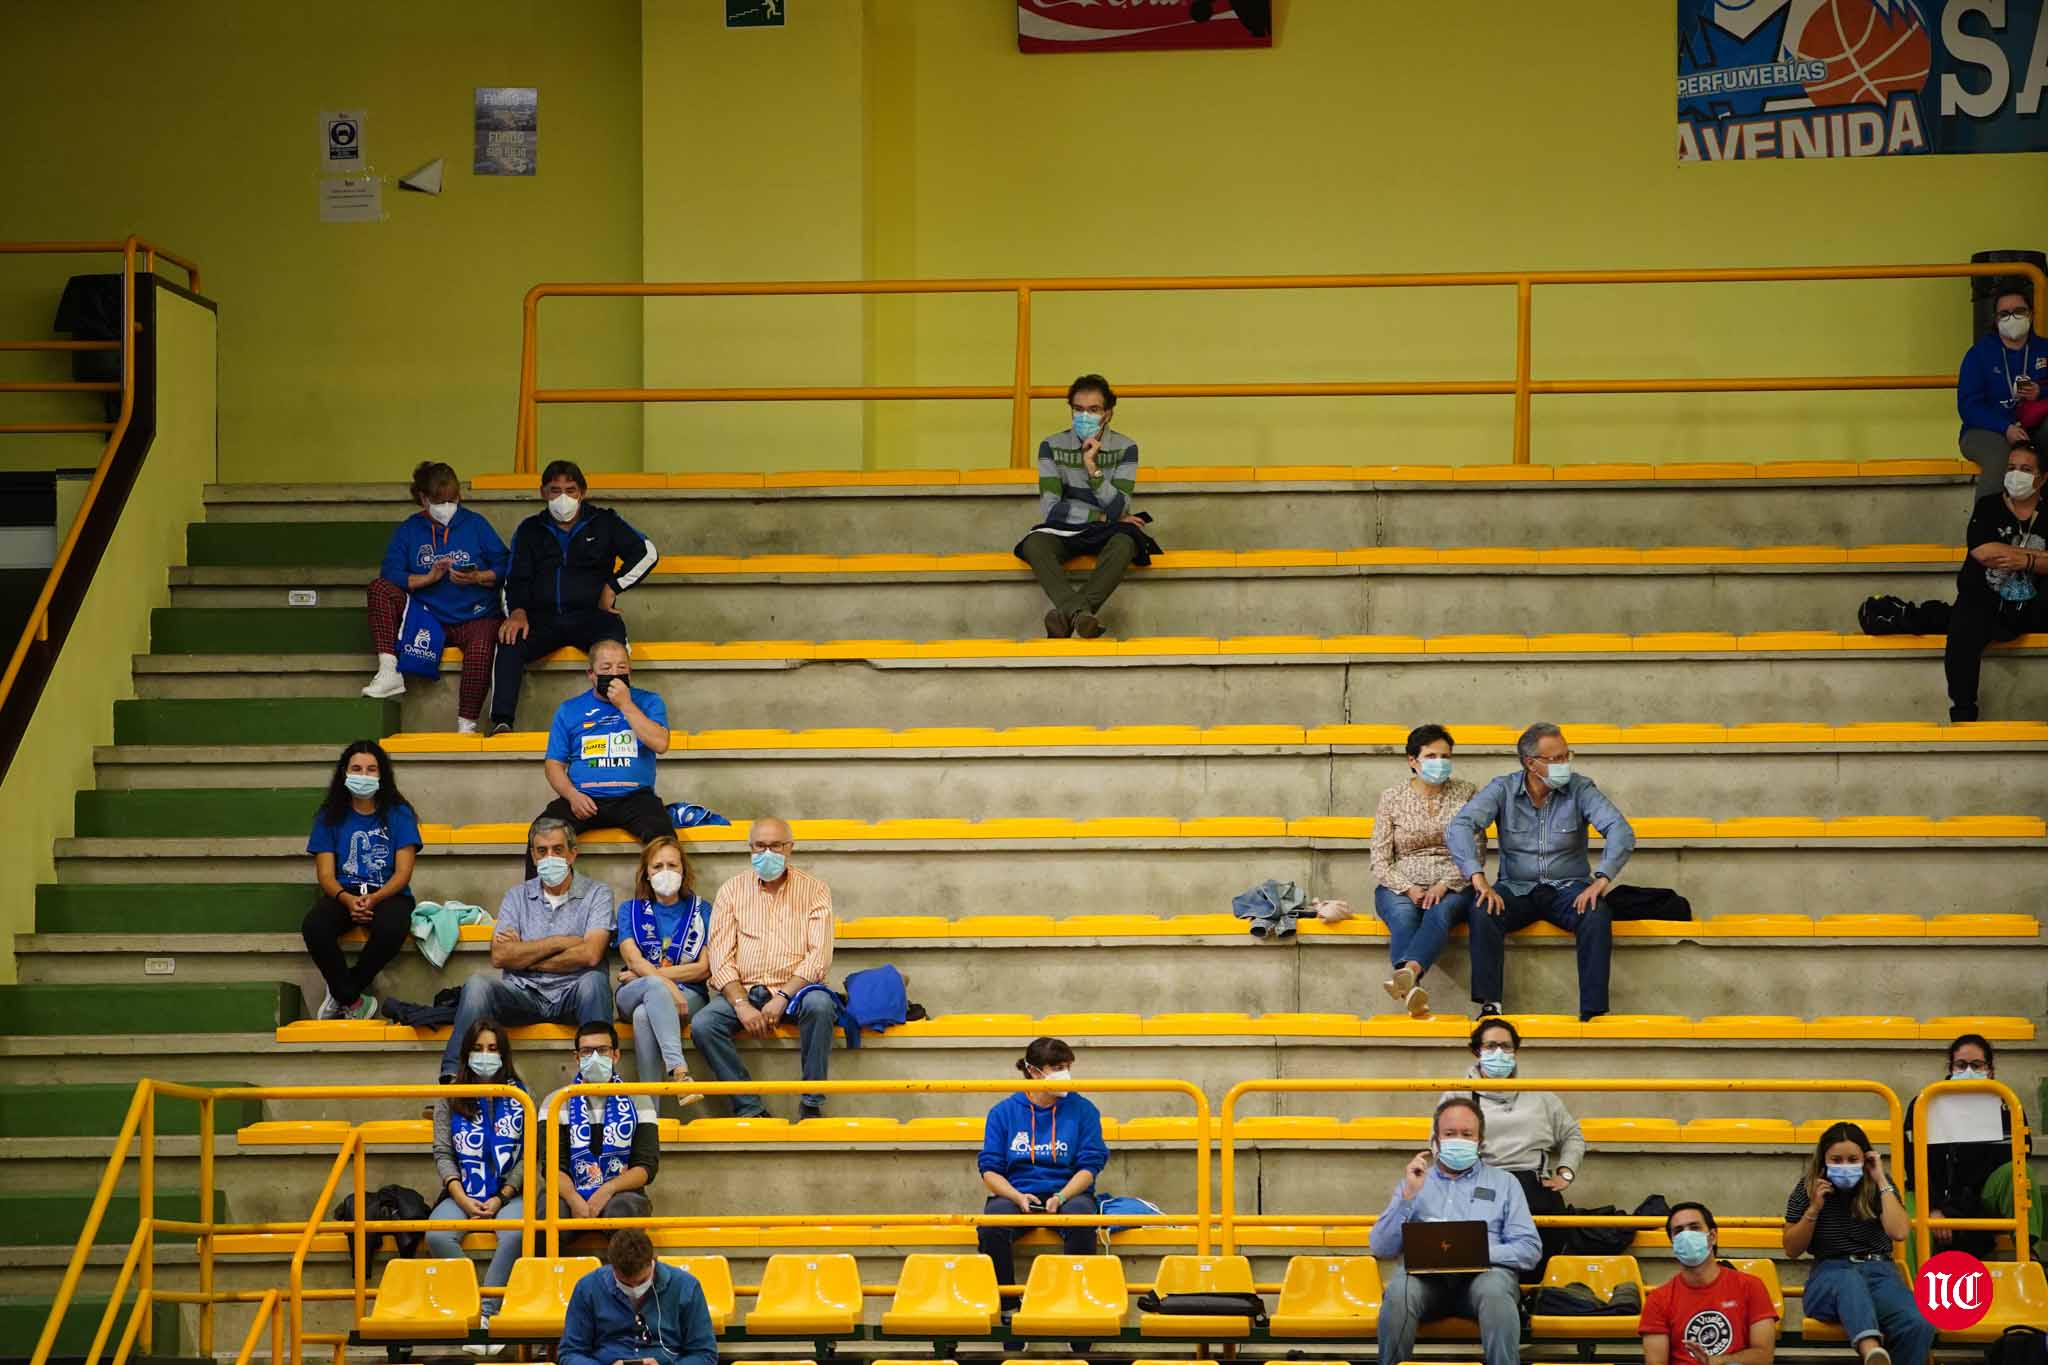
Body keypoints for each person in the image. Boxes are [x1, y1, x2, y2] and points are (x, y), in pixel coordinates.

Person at [1447, 722, 1635, 1021]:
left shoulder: (1581, 788)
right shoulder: (1503, 789)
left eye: (1566, 756)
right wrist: (1477, 877)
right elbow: (1460, 826)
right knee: (1481, 910)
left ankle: (1593, 1011)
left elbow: (1620, 831)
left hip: (1569, 889)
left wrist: (1602, 879)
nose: (1564, 764)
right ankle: (1490, 1004)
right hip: (1516, 888)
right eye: (1555, 759)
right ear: (1530, 763)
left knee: (1597, 913)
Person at [1369, 1096, 1541, 1365]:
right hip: (1424, 1284)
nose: (1458, 1139)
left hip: (1483, 1279)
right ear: (1435, 1140)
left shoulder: (1505, 1183)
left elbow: (1529, 1249)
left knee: (1495, 1290)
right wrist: (1408, 1198)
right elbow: (1380, 1247)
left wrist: (1476, 1252)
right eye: (1450, 1134)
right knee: (1399, 1290)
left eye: (1467, 1134)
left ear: (1480, 1141)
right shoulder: (1413, 1183)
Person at [490, 459, 658, 735]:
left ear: (583, 492)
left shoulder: (604, 521)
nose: (563, 498)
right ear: (543, 492)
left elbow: (647, 553)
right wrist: (517, 612)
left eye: (571, 490)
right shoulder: (529, 530)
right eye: (555, 490)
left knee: (614, 652)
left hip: (593, 616)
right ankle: (501, 721)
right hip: (541, 620)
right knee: (508, 641)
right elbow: (514, 579)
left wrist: (612, 587)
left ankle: (621, 722)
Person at [439, 817, 614, 1081]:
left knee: (595, 982)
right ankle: (453, 1079)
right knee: (477, 985)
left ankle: (603, 1084)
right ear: (533, 855)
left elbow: (590, 954)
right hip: (523, 994)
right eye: (542, 851)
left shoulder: (598, 893)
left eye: (557, 849)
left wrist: (524, 955)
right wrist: (559, 942)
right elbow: (500, 955)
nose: (550, 857)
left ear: (572, 853)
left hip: (574, 992)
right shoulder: (516, 895)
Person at [360, 460, 509, 734]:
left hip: (474, 615)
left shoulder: (476, 524)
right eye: (440, 501)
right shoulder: (409, 529)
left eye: (453, 499)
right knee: (378, 588)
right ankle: (388, 670)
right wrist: (427, 579)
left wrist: (478, 576)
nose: (448, 506)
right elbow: (390, 573)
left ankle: (467, 725)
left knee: (482, 642)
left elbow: (505, 565)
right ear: (423, 498)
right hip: (427, 617)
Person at [1014, 373, 1153, 639]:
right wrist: (1101, 516)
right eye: (1078, 409)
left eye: (1093, 410)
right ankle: (1081, 614)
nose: (1085, 416)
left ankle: (1067, 615)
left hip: (1106, 532)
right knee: (1034, 543)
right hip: (1065, 529)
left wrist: (1092, 468)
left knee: (1126, 543)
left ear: (1108, 414)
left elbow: (1119, 506)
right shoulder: (1051, 446)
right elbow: (1053, 509)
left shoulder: (1126, 448)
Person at [1782, 1121, 1931, 1365]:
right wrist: (1814, 1209)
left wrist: (1881, 1179)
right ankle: (1870, 1349)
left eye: (1853, 1159)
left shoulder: (1878, 1186)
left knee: (1917, 1321)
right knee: (1848, 1279)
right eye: (1836, 1160)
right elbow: (1791, 1249)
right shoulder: (1807, 1188)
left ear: (1865, 1159)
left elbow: (1900, 1231)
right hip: (1829, 1275)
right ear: (1823, 1161)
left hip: (1879, 1273)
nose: (1845, 1166)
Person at [976, 1038, 1109, 1304]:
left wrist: (1061, 1196)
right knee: (992, 1225)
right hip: (1017, 1192)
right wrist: (1016, 1197)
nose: (1066, 1073)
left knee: (1082, 1220)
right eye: (1058, 1067)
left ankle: (1076, 1307)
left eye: (1068, 1066)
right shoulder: (1003, 1112)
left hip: (1068, 1191)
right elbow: (990, 1170)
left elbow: (1089, 1166)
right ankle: (1007, 1308)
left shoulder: (1084, 1110)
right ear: (1034, 1071)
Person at [1446, 1017, 1583, 1265]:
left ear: (1515, 1051)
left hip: (1532, 1185)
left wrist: (1566, 1173)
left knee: (1544, 1243)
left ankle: (1532, 1297)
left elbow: (1572, 1135)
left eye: (1506, 1046)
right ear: (1477, 1051)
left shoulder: (1540, 1094)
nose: (1498, 1052)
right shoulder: (1458, 1093)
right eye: (1490, 1046)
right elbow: (1439, 1143)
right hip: (1482, 1183)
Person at [300, 741, 422, 1021]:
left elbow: (403, 873)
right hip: (344, 894)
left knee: (393, 927)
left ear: (382, 775)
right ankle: (353, 1000)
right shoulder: (328, 816)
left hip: (389, 894)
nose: (363, 775)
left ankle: (343, 989)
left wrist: (375, 898)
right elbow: (326, 875)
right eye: (356, 769)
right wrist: (348, 899)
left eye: (371, 769)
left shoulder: (399, 814)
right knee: (315, 926)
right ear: (344, 772)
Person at [424, 1018, 531, 1326]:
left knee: (515, 1234)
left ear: (504, 1053)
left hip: (509, 1194)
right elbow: (443, 1153)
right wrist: (461, 1196)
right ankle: (471, 1300)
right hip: (460, 1193)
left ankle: (487, 1313)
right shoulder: (450, 1095)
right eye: (478, 1048)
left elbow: (527, 1156)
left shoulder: (521, 1095)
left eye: (493, 1048)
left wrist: (501, 1197)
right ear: (467, 1053)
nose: (485, 1055)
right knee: (436, 1235)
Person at [1370, 723, 1478, 1018]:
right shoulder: (1392, 797)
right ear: (1412, 760)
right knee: (1403, 916)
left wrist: (1443, 885)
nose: (1440, 763)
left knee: (1439, 913)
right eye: (1431, 756)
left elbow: (1475, 850)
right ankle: (1411, 982)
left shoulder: (1466, 793)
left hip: (1454, 880)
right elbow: (1379, 858)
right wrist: (1408, 888)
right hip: (1402, 882)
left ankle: (1408, 974)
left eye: (1445, 756)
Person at [536, 639, 672, 870]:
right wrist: (572, 796)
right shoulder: (569, 709)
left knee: (663, 841)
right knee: (542, 832)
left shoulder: (649, 701)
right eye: (606, 669)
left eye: (622, 668)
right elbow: (553, 765)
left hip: (635, 797)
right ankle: (538, 901)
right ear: (591, 674)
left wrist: (626, 705)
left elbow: (660, 743)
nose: (615, 674)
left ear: (630, 670)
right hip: (583, 797)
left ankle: (666, 900)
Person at [1902, 1033, 2037, 1258]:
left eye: (1976, 1065)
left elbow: (2018, 1158)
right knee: (1907, 1210)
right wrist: (1935, 1209)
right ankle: (1911, 1286)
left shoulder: (2007, 1106)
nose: (1968, 1071)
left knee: (2021, 1173)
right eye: (1961, 1065)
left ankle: (2027, 1251)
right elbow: (1913, 1162)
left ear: (1990, 1069)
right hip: (1932, 1194)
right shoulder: (1924, 1104)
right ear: (1950, 1067)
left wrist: (1956, 1212)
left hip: (1981, 1200)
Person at [1945, 441, 2047, 721]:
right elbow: (1983, 551)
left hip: (2037, 606)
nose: (2017, 475)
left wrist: (2024, 561)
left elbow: (1999, 551)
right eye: (2011, 468)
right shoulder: (1988, 506)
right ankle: (1964, 714)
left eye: (2026, 469)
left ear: (2043, 478)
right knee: (1964, 621)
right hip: (1988, 603)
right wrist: (2040, 559)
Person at [615, 836, 711, 1105]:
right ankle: (680, 1074)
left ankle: (649, 1110)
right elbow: (633, 959)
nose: (665, 872)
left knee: (644, 1014)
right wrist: (666, 985)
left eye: (672, 865)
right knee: (653, 990)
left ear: (684, 870)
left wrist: (648, 976)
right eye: (657, 866)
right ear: (646, 872)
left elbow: (703, 968)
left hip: (688, 995)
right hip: (632, 993)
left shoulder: (701, 910)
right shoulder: (629, 910)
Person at [1641, 1201, 1779, 1365]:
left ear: (1712, 1237)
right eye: (1678, 1231)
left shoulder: (1751, 1286)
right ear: (1673, 1243)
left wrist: (1718, 1361)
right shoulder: (1658, 1300)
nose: (1686, 1236)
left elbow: (1764, 1357)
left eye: (1694, 1227)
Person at [550, 1020, 660, 1226]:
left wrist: (607, 1190)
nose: (594, 1058)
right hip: (568, 1192)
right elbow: (553, 1166)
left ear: (615, 1055)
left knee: (622, 1211)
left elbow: (646, 1166)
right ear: (576, 1057)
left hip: (622, 1192)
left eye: (602, 1050)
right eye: (586, 1052)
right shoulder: (555, 1102)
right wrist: (574, 1199)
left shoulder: (639, 1099)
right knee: (547, 1212)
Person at [558, 1227, 717, 1365]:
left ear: (652, 1261)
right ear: (612, 1266)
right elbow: (570, 1353)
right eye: (624, 1283)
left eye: (641, 1281)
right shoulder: (587, 1288)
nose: (634, 1288)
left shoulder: (686, 1287)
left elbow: (705, 1354)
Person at [1957, 287, 2046, 497]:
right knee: (2001, 458)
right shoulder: (1979, 354)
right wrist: (2004, 427)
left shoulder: (2044, 349)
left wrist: (2040, 391)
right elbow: (1968, 406)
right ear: (1996, 319)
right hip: (1986, 430)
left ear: (2031, 314)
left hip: (2035, 427)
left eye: (2019, 311)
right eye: (2004, 313)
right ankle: (1986, 525)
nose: (2012, 317)